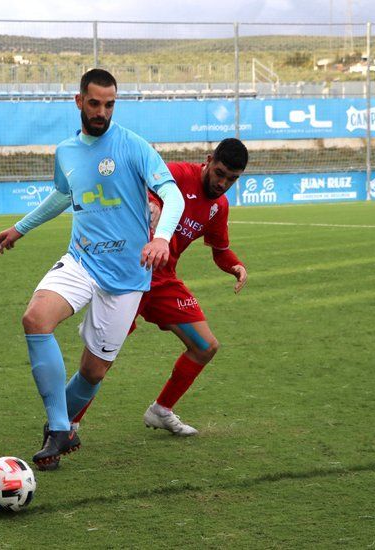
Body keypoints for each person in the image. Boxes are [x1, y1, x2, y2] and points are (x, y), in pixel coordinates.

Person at [0, 68, 184, 470]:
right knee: (35, 318)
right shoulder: (66, 152)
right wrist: (19, 229)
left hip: (128, 276)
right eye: (94, 103)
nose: (102, 111)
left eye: (109, 104)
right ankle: (60, 428)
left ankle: (57, 428)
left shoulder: (133, 146)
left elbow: (171, 193)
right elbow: (64, 195)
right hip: (82, 260)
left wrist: (162, 236)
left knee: (92, 372)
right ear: (79, 101)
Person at [48, 139, 250, 469]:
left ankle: (161, 410)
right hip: (130, 277)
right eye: (220, 173)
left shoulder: (219, 206)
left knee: (206, 346)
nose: (223, 183)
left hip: (164, 281)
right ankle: (64, 427)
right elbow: (150, 199)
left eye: (232, 179)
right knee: (98, 364)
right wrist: (152, 215)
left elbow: (220, 249)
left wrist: (235, 265)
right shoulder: (174, 175)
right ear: (208, 161)